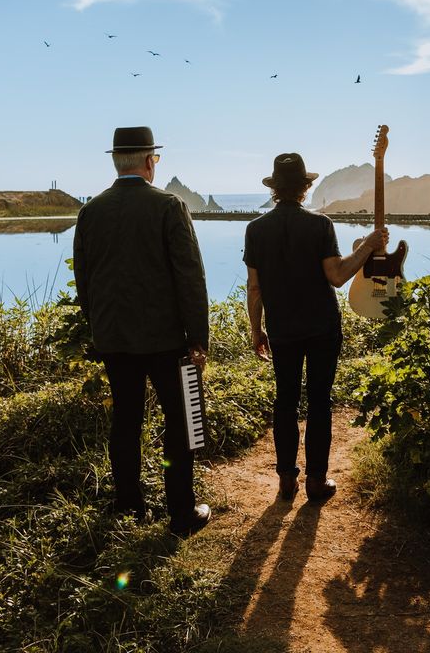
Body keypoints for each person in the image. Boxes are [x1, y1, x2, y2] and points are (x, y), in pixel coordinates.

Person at [73, 126, 211, 536]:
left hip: (113, 338)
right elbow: (190, 276)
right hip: (166, 340)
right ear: (150, 161)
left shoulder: (90, 211)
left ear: (117, 161)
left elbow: (85, 278)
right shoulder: (168, 206)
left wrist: (98, 326)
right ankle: (182, 514)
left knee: (126, 419)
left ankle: (130, 507)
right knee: (181, 421)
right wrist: (198, 338)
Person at [244, 152, 389, 502]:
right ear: (305, 188)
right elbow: (337, 276)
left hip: (282, 329)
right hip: (322, 327)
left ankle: (285, 480)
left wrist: (256, 330)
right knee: (319, 402)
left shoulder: (255, 229)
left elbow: (254, 288)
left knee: (286, 400)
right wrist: (368, 246)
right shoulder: (320, 225)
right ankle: (316, 481)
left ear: (275, 189)